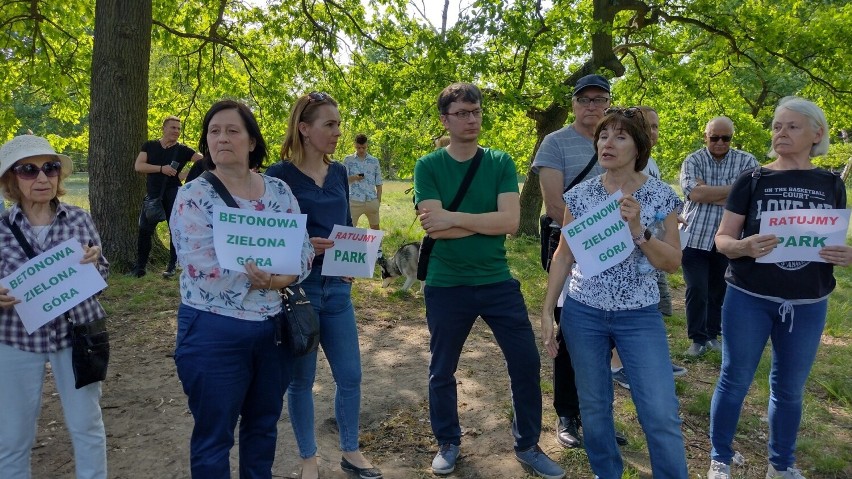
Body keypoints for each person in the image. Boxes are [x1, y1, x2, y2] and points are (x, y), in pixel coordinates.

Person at [415, 82, 565, 479]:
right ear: (445, 119)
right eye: (462, 113)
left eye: (476, 111)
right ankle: (448, 441)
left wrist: (454, 218)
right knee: (441, 369)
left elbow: (511, 223)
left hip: (497, 281)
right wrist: (476, 224)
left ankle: (528, 444)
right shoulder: (428, 166)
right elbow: (435, 229)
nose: (471, 119)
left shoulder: (499, 161)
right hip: (446, 284)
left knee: (526, 362)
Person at [707, 97, 852, 479]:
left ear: (816, 134)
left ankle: (781, 464)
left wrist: (845, 254)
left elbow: (832, 240)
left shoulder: (831, 184)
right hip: (748, 297)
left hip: (807, 303)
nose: (780, 133)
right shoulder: (753, 179)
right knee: (734, 378)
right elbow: (722, 239)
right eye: (776, 126)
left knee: (789, 389)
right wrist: (742, 247)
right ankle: (719, 458)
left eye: (792, 126)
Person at [541, 107, 688, 478]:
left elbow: (671, 263)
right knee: (593, 406)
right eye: (604, 136)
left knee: (659, 409)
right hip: (583, 313)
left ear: (638, 146)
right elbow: (563, 256)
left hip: (639, 316)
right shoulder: (580, 196)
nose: (608, 142)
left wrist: (639, 229)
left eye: (620, 136)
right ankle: (606, 472)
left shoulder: (660, 196)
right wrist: (547, 312)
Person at [169, 100, 313, 478]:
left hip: (273, 330)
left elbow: (304, 248)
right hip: (214, 330)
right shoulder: (193, 196)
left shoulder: (279, 191)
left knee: (263, 429)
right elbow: (201, 264)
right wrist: (267, 274)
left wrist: (284, 278)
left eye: (232, 130)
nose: (222, 138)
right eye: (214, 131)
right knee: (214, 436)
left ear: (251, 142)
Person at [266, 92, 382, 479]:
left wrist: (353, 258)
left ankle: (350, 451)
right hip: (299, 290)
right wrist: (302, 246)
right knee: (302, 381)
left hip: (338, 289)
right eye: (329, 124)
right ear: (304, 128)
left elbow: (346, 223)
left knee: (351, 376)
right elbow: (271, 236)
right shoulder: (277, 177)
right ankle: (308, 460)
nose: (337, 132)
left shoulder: (337, 174)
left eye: (338, 124)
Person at [0, 135, 109, 479]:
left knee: (86, 426)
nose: (42, 178)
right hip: (16, 339)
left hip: (76, 336)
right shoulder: (1, 229)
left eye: (50, 167)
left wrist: (95, 263)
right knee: (13, 437)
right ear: (11, 180)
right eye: (28, 170)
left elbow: (101, 273)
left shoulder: (79, 219)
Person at [532, 74, 621, 449]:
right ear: (573, 104)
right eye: (585, 99)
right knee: (569, 336)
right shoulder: (555, 143)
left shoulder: (621, 140)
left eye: (599, 100)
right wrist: (597, 242)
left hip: (619, 254)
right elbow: (555, 204)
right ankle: (567, 414)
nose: (592, 106)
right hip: (571, 250)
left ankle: (597, 416)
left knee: (607, 338)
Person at [610, 106, 687, 391]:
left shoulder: (651, 165)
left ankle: (648, 360)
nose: (652, 133)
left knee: (653, 307)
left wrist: (668, 219)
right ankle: (620, 365)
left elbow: (653, 210)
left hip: (651, 252)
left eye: (656, 127)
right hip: (626, 258)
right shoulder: (621, 166)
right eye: (647, 127)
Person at [679, 116, 758, 356]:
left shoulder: (747, 161)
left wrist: (708, 191)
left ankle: (712, 334)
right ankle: (697, 339)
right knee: (697, 289)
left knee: (719, 291)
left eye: (726, 138)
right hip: (695, 237)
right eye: (715, 137)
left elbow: (752, 196)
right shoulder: (693, 160)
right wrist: (735, 191)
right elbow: (694, 194)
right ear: (705, 137)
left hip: (730, 239)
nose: (720, 142)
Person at [130, 115, 202, 278]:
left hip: (174, 194)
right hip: (153, 195)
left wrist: (186, 175)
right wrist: (162, 169)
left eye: (178, 128)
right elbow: (139, 166)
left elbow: (204, 163)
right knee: (144, 231)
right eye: (173, 127)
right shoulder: (150, 145)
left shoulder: (183, 150)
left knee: (175, 230)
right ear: (164, 128)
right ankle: (140, 268)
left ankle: (171, 266)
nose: (176, 131)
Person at [343, 133, 383, 230]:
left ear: (367, 145)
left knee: (376, 230)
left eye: (363, 148)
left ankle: (378, 246)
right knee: (349, 229)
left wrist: (378, 201)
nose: (361, 150)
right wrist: (355, 177)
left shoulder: (374, 161)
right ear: (355, 145)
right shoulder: (348, 160)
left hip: (371, 200)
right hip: (354, 200)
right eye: (358, 148)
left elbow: (379, 183)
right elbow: (343, 181)